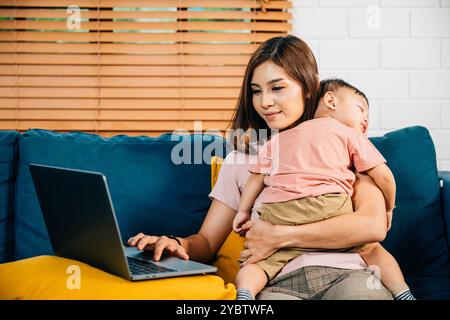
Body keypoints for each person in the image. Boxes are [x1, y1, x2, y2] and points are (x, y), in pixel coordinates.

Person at [127, 35, 395, 300]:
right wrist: (175, 243)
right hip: (278, 281)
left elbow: (372, 226)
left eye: (277, 88)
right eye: (256, 91)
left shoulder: (345, 145)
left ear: (309, 88)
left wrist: (279, 236)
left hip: (349, 274)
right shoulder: (242, 160)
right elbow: (207, 243)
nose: (264, 102)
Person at [232, 78, 416, 301]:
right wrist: (389, 208)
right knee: (373, 250)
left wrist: (243, 210)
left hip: (280, 214)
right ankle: (403, 292)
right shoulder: (350, 135)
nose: (366, 121)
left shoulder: (279, 139)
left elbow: (256, 179)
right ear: (331, 100)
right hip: (328, 206)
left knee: (257, 263)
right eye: (361, 109)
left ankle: (245, 294)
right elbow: (385, 177)